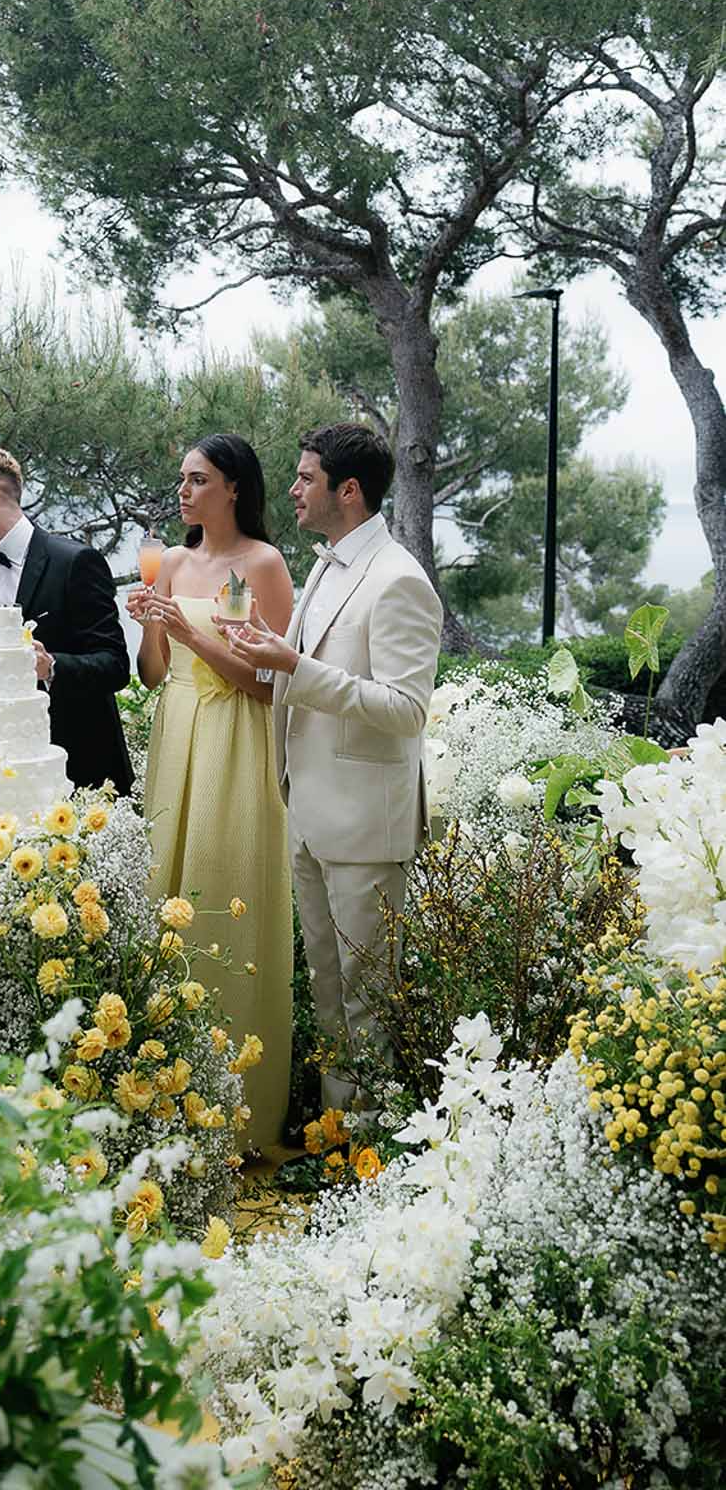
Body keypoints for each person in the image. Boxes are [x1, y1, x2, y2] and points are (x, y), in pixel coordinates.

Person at [222, 422, 443, 1112]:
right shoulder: (324, 562)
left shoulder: (400, 580)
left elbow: (407, 709)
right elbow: (304, 669)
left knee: (370, 997)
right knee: (326, 987)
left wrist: (295, 666)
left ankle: (374, 1148)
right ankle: (336, 1140)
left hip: (365, 824)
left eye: (305, 477)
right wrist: (265, 649)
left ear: (348, 491)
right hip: (311, 810)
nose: (291, 489)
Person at [128, 434, 295, 1152]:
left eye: (197, 480)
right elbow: (153, 675)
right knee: (165, 894)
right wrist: (150, 629)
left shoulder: (265, 563)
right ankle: (160, 1094)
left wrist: (194, 642)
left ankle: (239, 1108)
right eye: (181, 480)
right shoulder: (172, 563)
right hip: (176, 735)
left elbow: (272, 683)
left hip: (236, 741)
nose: (184, 492)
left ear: (232, 487)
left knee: (224, 893)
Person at [0, 442, 133, 795]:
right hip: (0, 780)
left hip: (79, 773)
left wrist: (51, 666)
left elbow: (116, 665)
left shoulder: (76, 562)